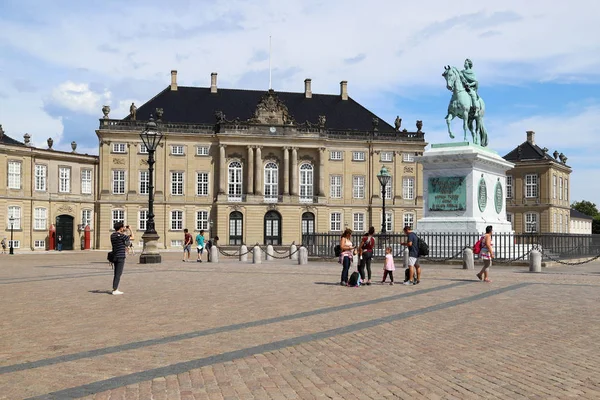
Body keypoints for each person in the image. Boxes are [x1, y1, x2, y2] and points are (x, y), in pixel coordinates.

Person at [110, 221, 130, 295]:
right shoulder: (121, 236)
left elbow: (121, 239)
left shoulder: (112, 235)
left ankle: (115, 288)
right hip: (121, 256)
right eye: (123, 227)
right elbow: (132, 237)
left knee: (116, 273)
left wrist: (123, 231)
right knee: (118, 273)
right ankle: (115, 290)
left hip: (115, 256)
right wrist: (130, 229)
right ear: (121, 228)